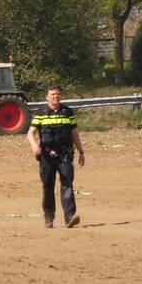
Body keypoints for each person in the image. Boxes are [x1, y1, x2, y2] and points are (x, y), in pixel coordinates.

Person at [27, 84, 85, 228]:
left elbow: (74, 134)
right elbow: (30, 132)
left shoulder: (67, 112)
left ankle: (69, 217)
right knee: (48, 186)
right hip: (46, 156)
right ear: (47, 97)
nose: (56, 96)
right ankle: (49, 217)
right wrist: (34, 146)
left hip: (65, 154)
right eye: (53, 94)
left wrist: (81, 152)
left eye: (58, 94)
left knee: (67, 184)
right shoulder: (40, 113)